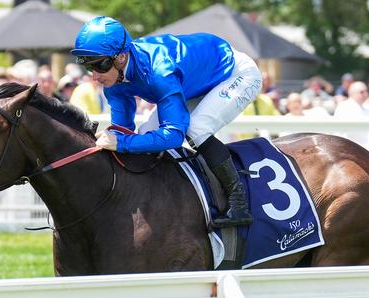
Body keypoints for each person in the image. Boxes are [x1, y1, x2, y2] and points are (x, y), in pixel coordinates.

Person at [71, 16, 262, 227]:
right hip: (192, 82)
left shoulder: (159, 71)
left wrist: (121, 142)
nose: (95, 76)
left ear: (121, 57)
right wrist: (115, 140)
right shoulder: (113, 80)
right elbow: (123, 130)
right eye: (89, 67)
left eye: (99, 65)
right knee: (145, 134)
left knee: (196, 128)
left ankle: (239, 202)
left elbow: (173, 135)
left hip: (235, 73)